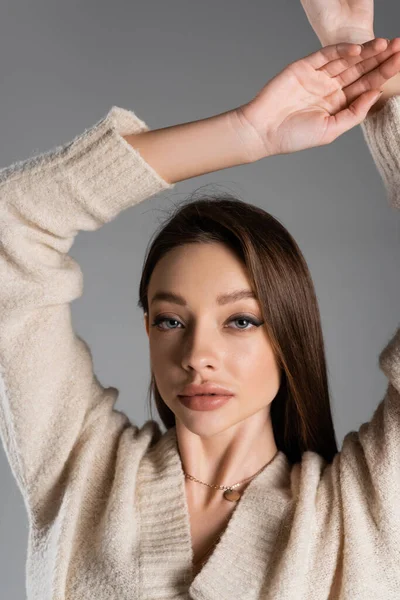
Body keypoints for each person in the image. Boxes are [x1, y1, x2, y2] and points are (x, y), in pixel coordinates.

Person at [0, 5, 400, 600]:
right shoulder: (81, 473)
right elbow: (12, 224)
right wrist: (246, 133)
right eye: (170, 320)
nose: (197, 354)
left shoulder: (360, 513)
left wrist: (362, 80)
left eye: (240, 320)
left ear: (286, 332)